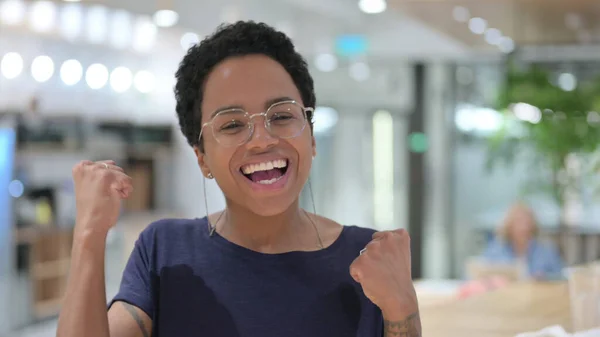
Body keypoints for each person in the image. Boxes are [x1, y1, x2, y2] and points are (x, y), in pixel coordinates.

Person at [56, 21, 421, 337]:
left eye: (281, 116)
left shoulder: (369, 258)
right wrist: (89, 233)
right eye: (231, 124)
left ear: (310, 137)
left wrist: (402, 306)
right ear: (202, 158)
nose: (262, 139)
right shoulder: (165, 253)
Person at [481, 202, 564, 280]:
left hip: (536, 293)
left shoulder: (546, 251)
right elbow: (480, 275)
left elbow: (561, 277)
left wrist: (545, 278)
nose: (523, 227)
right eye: (518, 222)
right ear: (509, 226)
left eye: (527, 222)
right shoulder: (495, 250)